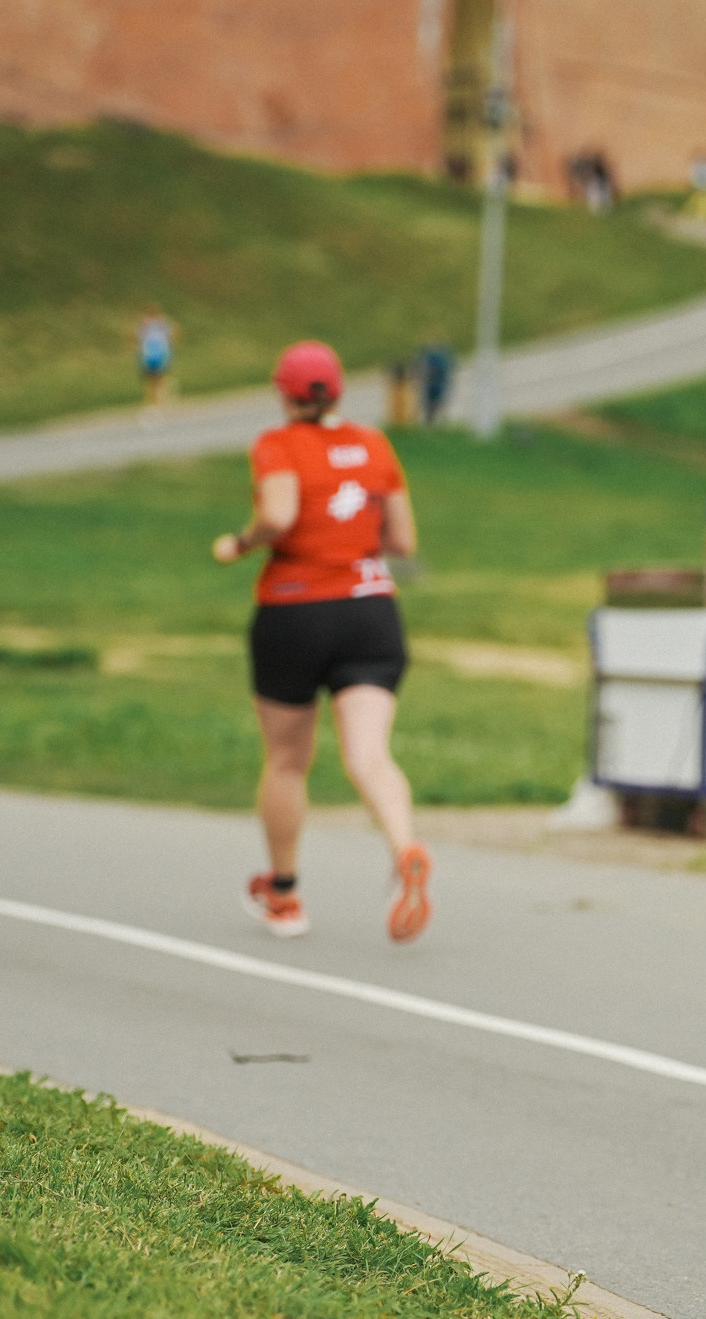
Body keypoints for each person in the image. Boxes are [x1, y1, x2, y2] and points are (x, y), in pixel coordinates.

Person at [214, 340, 432, 942]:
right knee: (369, 755)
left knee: (287, 760)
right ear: (336, 390)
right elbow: (405, 540)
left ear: (284, 393)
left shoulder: (277, 445)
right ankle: (405, 848)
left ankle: (284, 896)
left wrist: (242, 540)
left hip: (296, 613)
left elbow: (280, 516)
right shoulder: (374, 445)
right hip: (371, 613)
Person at [136, 306, 177, 410]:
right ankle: (155, 401)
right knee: (152, 379)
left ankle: (160, 401)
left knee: (158, 378)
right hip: (152, 354)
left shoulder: (160, 323)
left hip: (157, 353)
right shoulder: (153, 323)